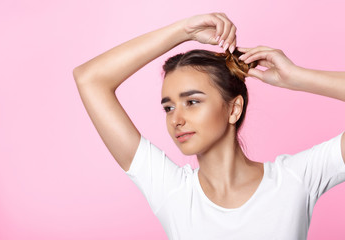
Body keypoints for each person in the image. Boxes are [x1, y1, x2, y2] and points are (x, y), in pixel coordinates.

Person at [73, 12, 345, 239]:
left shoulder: (296, 179)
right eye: (168, 107)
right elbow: (89, 78)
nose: (176, 119)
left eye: (192, 102)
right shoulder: (171, 190)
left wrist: (297, 77)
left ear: (233, 109)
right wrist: (184, 31)